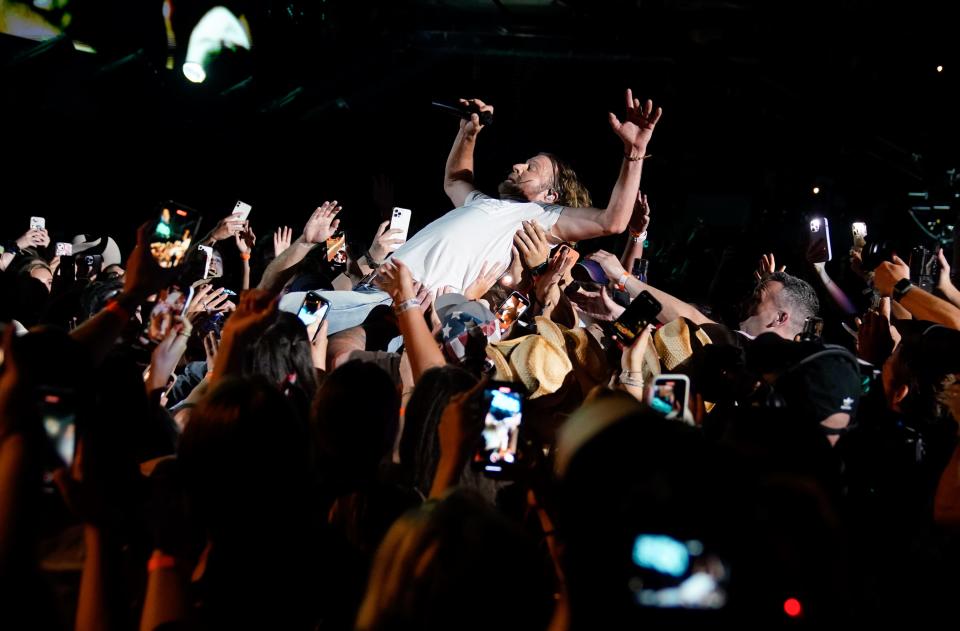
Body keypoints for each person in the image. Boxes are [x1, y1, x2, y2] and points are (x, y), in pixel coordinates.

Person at [280, 89, 662, 334]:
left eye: (531, 168)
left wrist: (633, 154)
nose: (517, 167)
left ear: (551, 195)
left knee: (329, 349)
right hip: (369, 292)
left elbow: (612, 220)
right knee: (279, 320)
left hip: (410, 308)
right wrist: (469, 131)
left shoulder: (543, 219)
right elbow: (453, 181)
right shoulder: (484, 202)